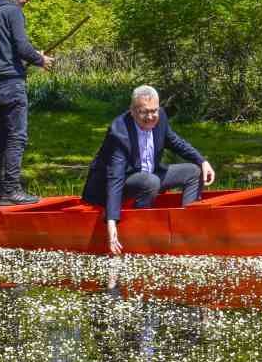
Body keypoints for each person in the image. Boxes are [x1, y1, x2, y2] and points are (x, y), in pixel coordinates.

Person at [81, 85, 216, 254]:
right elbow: (115, 176)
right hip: (119, 183)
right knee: (150, 181)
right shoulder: (119, 131)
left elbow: (176, 142)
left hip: (150, 174)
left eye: (154, 111)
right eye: (144, 112)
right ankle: (141, 229)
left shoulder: (161, 119)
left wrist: (202, 161)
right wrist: (111, 221)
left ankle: (187, 227)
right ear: (132, 110)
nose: (150, 117)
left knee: (193, 172)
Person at [0, 0, 53, 205]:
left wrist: (28, 57)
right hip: (11, 83)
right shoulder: (13, 12)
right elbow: (21, 46)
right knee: (16, 138)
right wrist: (40, 59)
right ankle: (12, 191)